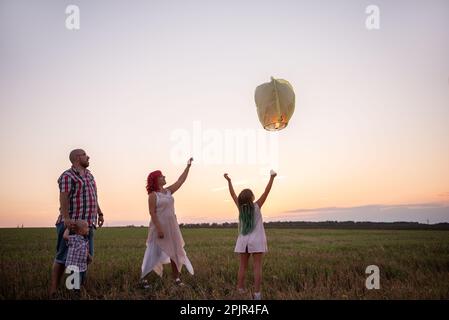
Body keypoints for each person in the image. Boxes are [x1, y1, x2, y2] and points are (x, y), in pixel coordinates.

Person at [49, 149, 105, 298]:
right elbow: (64, 198)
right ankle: (53, 291)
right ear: (77, 158)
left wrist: (99, 213)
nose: (89, 157)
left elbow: (94, 196)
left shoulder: (90, 176)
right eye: (85, 155)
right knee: (62, 258)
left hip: (87, 225)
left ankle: (75, 287)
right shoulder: (68, 176)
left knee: (85, 257)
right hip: (72, 225)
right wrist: (66, 219)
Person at [141, 157, 194, 287]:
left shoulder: (169, 191)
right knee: (152, 253)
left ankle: (176, 279)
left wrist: (188, 167)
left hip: (172, 226)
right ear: (156, 180)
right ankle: (143, 279)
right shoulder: (153, 195)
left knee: (175, 251)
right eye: (162, 176)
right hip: (158, 227)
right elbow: (152, 212)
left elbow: (180, 181)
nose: (164, 177)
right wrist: (159, 229)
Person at [224, 170, 277, 300]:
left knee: (242, 266)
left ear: (241, 200)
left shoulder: (240, 208)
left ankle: (240, 289)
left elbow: (232, 194)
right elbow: (267, 191)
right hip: (256, 241)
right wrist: (272, 177)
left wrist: (229, 181)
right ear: (252, 198)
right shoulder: (257, 206)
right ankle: (257, 294)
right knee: (257, 267)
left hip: (243, 241)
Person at [63, 220, 93, 295]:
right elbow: (65, 237)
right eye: (86, 227)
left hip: (82, 265)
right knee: (75, 280)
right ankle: (75, 292)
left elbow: (85, 250)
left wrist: (89, 257)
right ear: (80, 231)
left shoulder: (85, 240)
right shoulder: (74, 238)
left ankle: (77, 289)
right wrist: (68, 229)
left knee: (81, 278)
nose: (88, 229)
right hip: (74, 265)